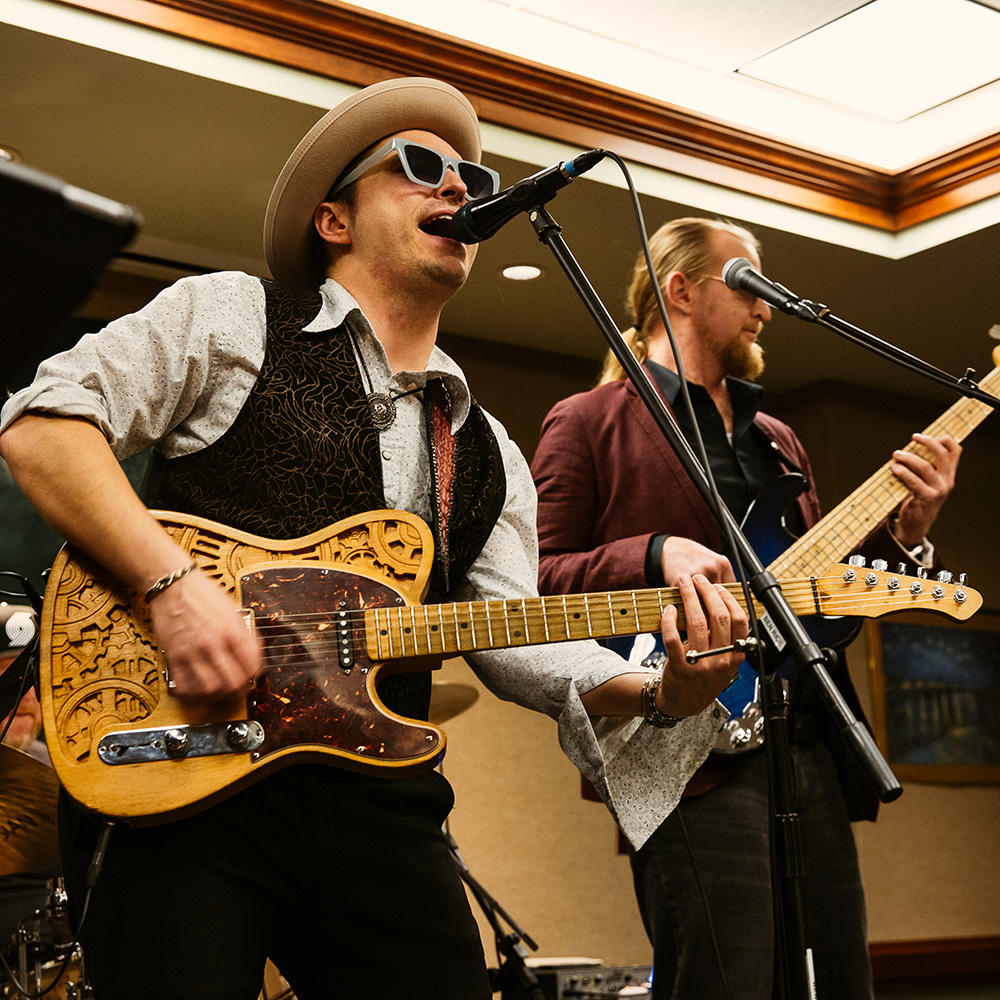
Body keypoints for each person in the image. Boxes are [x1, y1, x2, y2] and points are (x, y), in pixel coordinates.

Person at [0, 82, 749, 1000]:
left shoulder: (486, 450)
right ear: (334, 219)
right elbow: (44, 422)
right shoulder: (235, 316)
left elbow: (518, 638)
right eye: (421, 168)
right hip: (181, 774)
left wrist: (665, 688)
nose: (458, 189)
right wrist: (173, 588)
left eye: (471, 175)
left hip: (375, 799)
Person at [529, 217, 961, 999]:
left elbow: (819, 607)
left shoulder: (780, 441)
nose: (766, 307)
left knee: (840, 982)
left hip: (805, 745)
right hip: (685, 749)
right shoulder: (587, 421)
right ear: (680, 290)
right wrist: (653, 551)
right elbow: (538, 584)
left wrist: (907, 533)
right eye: (746, 283)